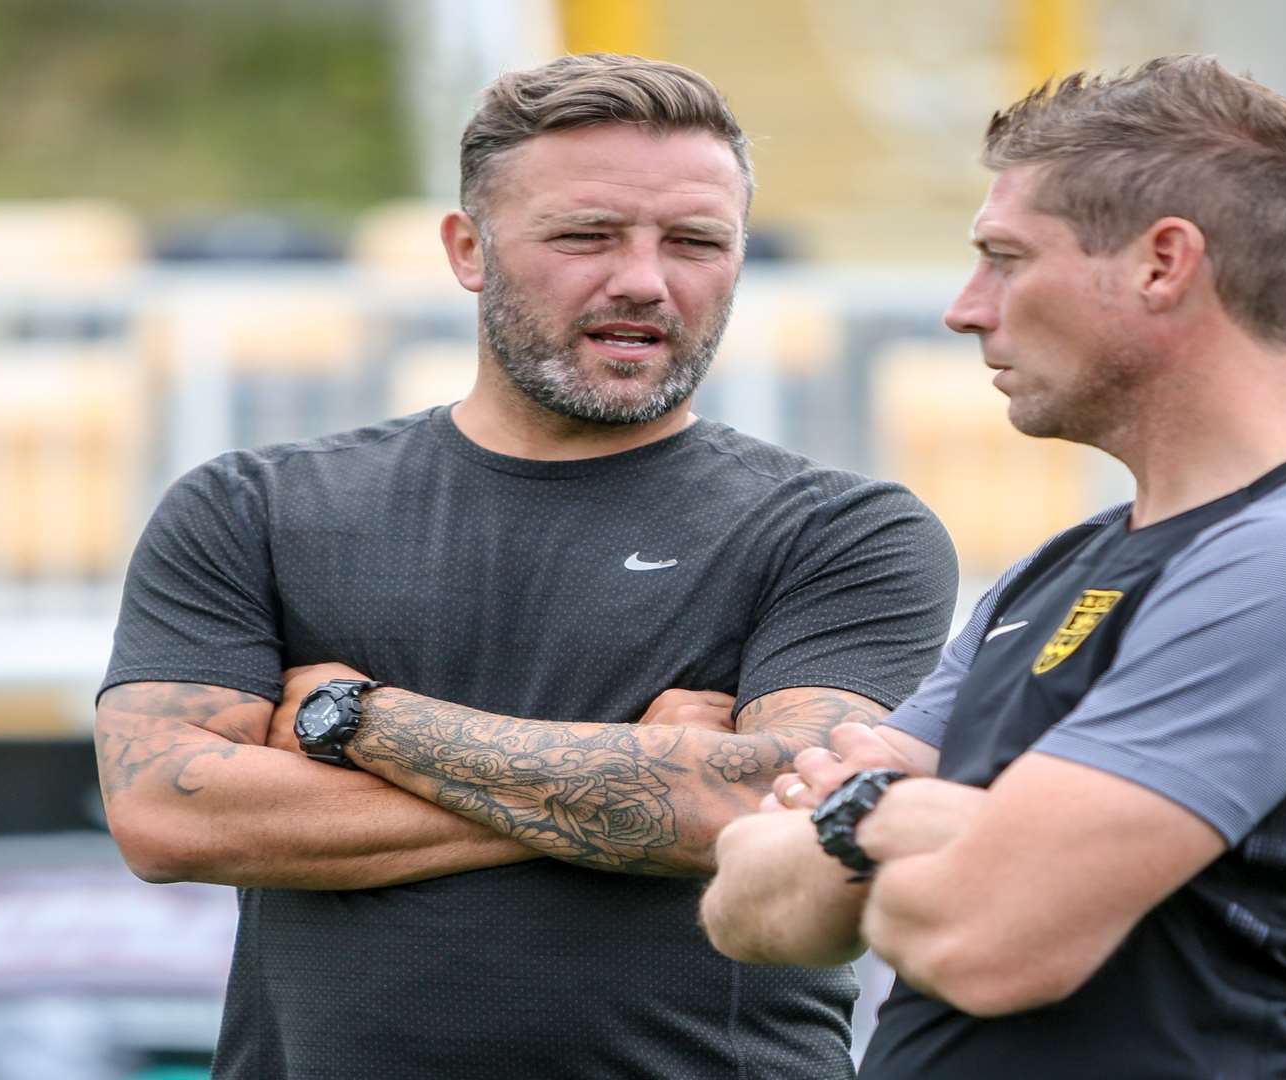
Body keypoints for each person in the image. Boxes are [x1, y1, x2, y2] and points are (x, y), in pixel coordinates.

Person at [94, 54, 957, 1079]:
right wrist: (637, 776)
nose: (643, 279)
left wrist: (361, 723)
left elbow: (768, 814)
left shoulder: (843, 532)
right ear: (469, 248)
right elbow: (167, 815)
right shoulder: (254, 507)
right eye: (585, 235)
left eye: (694, 242)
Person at [701, 54, 1286, 1078]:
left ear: (1163, 263)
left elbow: (980, 943)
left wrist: (859, 816)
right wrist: (930, 826)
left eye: (1006, 257)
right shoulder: (1064, 567)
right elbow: (747, 905)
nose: (966, 306)